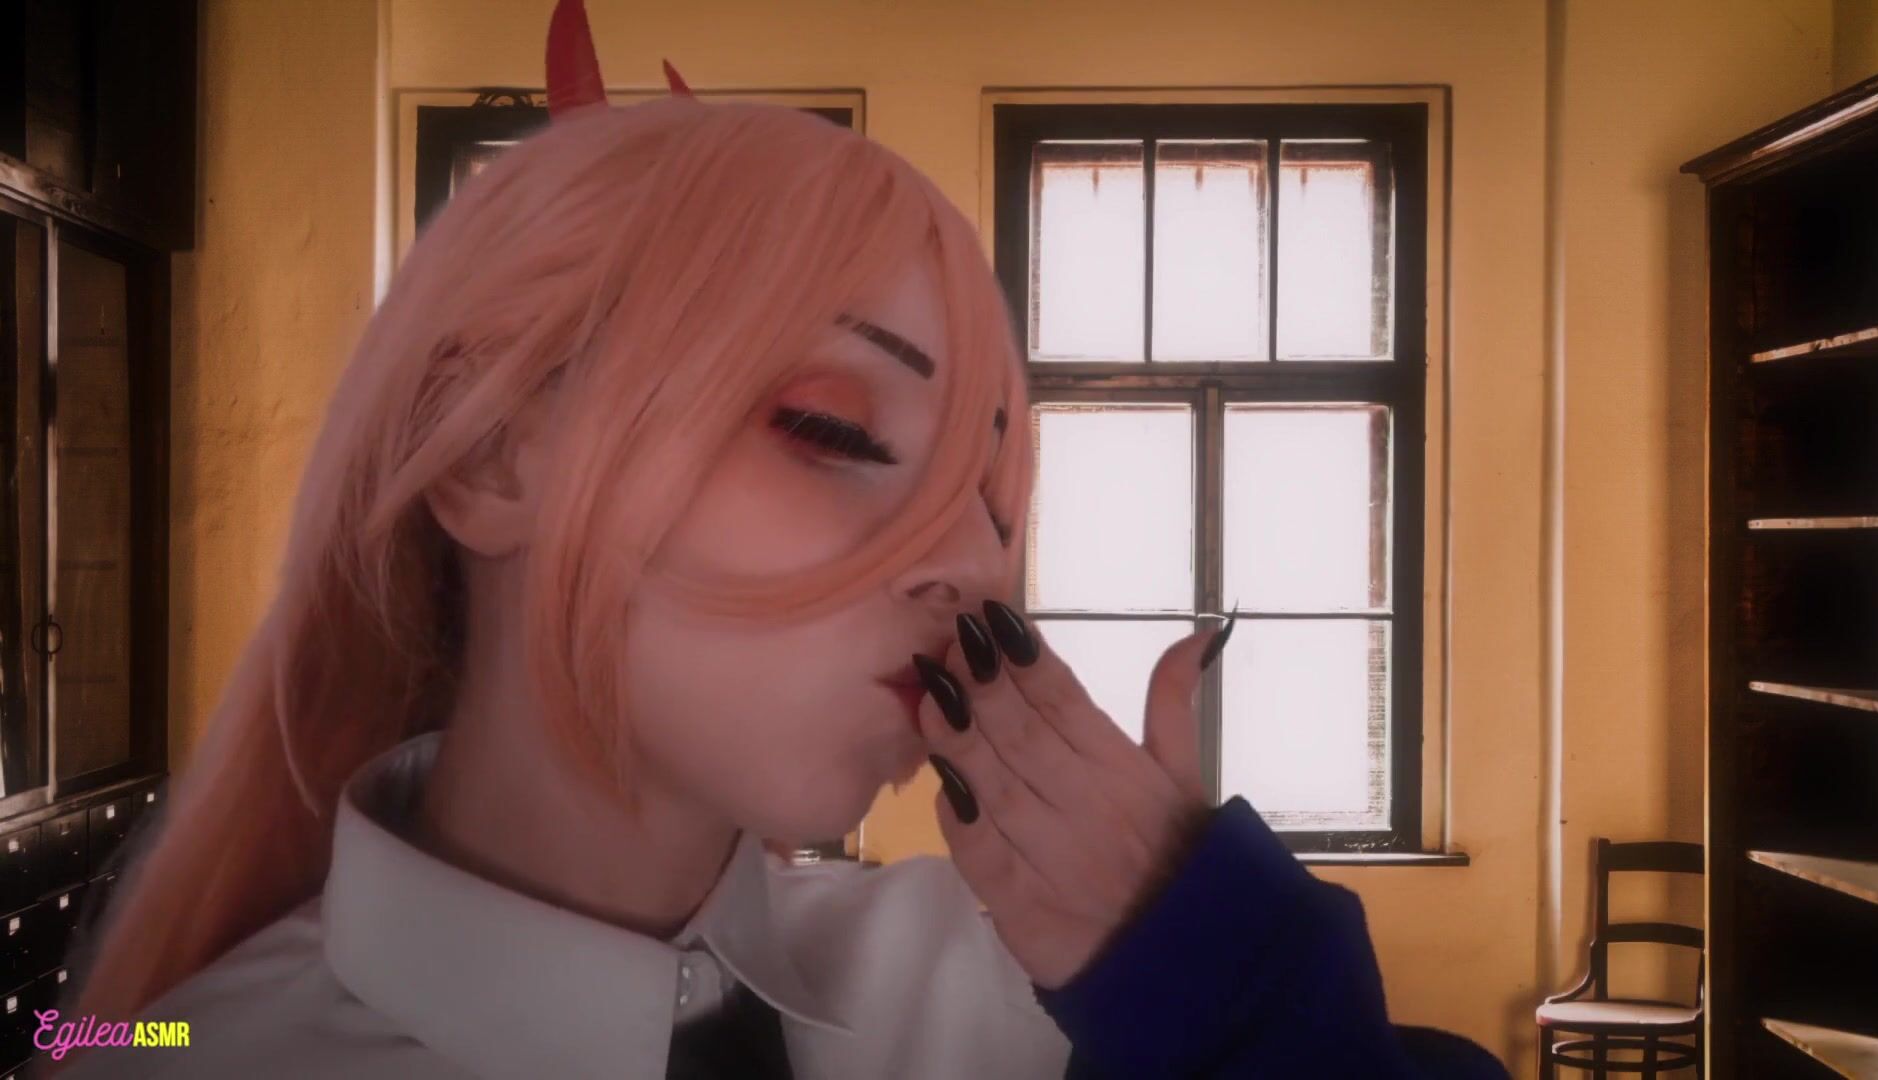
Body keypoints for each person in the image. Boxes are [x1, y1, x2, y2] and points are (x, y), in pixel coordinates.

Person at [52, 3, 1506, 1077]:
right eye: (835, 430)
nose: (975, 566)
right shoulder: (167, 1056)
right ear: (493, 454)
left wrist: (1212, 981)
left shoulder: (1047, 1000)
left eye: (998, 501)